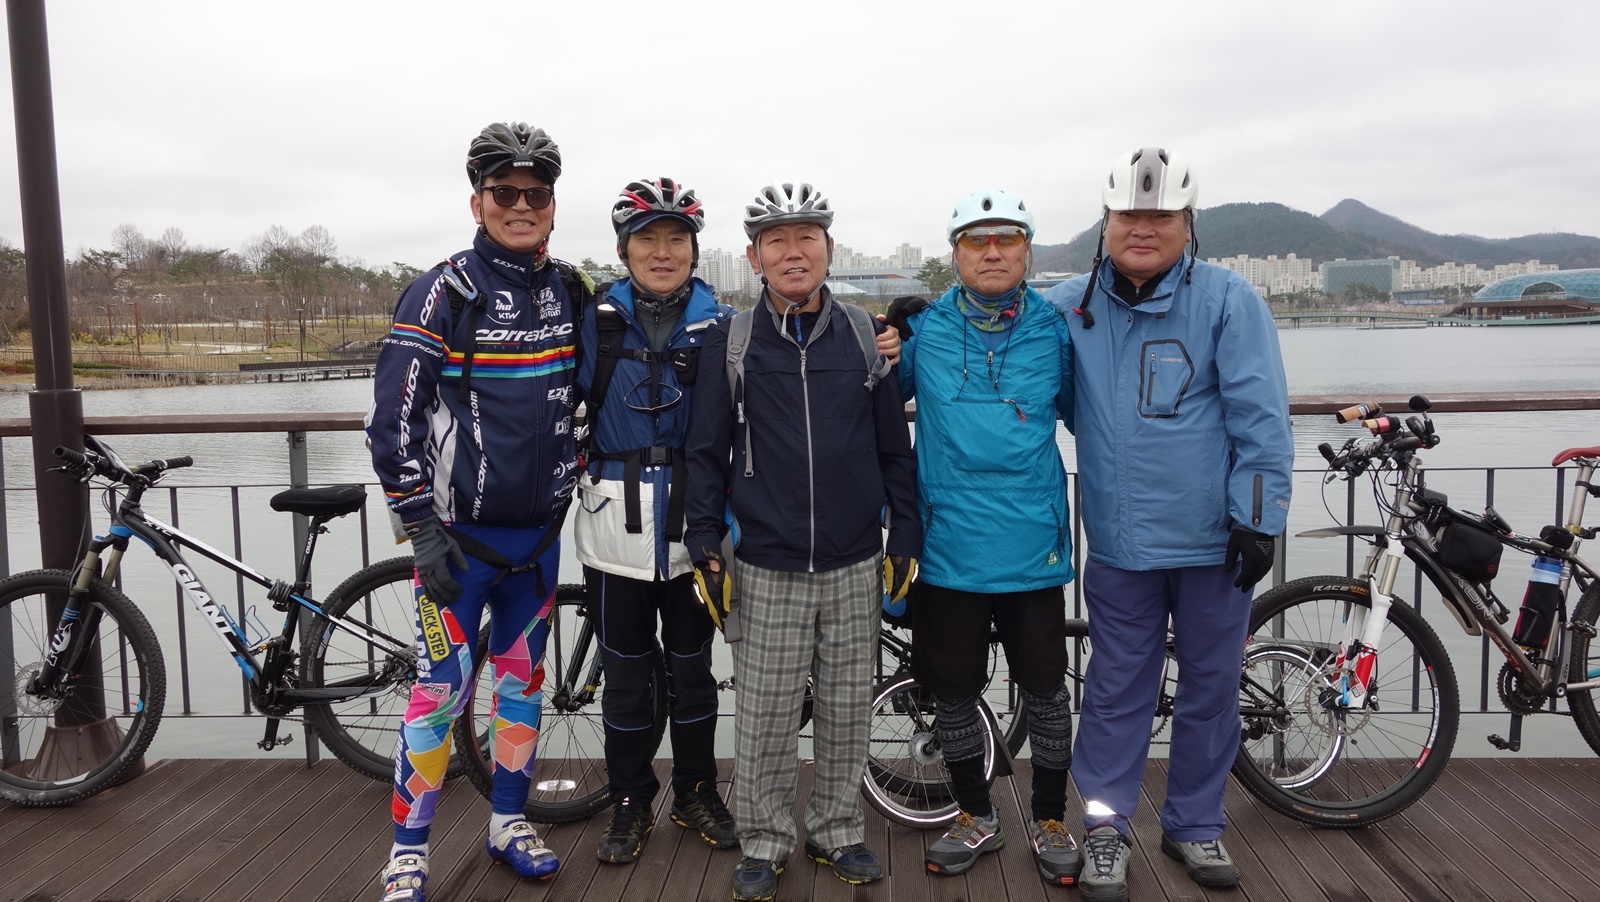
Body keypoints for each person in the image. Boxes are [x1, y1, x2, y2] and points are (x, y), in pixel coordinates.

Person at [1044, 148, 1292, 902]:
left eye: (1161, 216)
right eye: (1128, 215)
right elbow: (997, 335)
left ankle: (1194, 823)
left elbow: (1261, 416)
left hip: (1216, 541)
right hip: (1120, 540)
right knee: (1115, 689)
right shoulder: (1068, 305)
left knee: (1211, 689)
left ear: (1188, 224)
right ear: (1106, 223)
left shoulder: (1229, 299)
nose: (1143, 228)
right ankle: (1106, 828)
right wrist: (908, 328)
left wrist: (1258, 519)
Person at [365, 122, 591, 902]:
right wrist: (419, 526)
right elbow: (391, 420)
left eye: (536, 193)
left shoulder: (570, 289)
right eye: (505, 192)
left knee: (522, 689)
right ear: (477, 201)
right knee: (439, 695)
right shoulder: (443, 291)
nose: (521, 205)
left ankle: (508, 823)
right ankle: (406, 854)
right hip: (457, 547)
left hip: (538, 544)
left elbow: (604, 389)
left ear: (553, 205)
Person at [682, 180, 922, 902]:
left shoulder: (863, 336)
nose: (794, 252)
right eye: (777, 241)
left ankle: (837, 830)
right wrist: (703, 542)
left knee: (847, 710)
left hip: (855, 559)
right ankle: (764, 839)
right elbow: (705, 453)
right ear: (754, 256)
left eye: (807, 238)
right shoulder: (732, 342)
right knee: (765, 717)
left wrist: (905, 533)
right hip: (767, 562)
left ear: (829, 248)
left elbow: (894, 449)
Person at [892, 188, 1080, 886]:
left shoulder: (1056, 330)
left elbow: (1095, 417)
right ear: (955, 254)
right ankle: (975, 813)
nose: (992, 251)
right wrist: (884, 335)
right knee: (952, 691)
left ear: (1028, 251)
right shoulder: (926, 330)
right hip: (948, 545)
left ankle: (1051, 817)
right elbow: (869, 398)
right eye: (977, 239)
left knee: (1047, 690)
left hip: (1032, 545)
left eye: (1007, 238)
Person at [573, 177, 739, 863]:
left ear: (694, 250)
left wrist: (886, 337)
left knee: (694, 670)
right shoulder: (594, 320)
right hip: (613, 528)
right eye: (648, 240)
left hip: (694, 527)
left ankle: (697, 789)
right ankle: (631, 799)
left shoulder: (725, 325)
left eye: (677, 239)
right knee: (626, 676)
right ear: (624, 249)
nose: (663, 252)